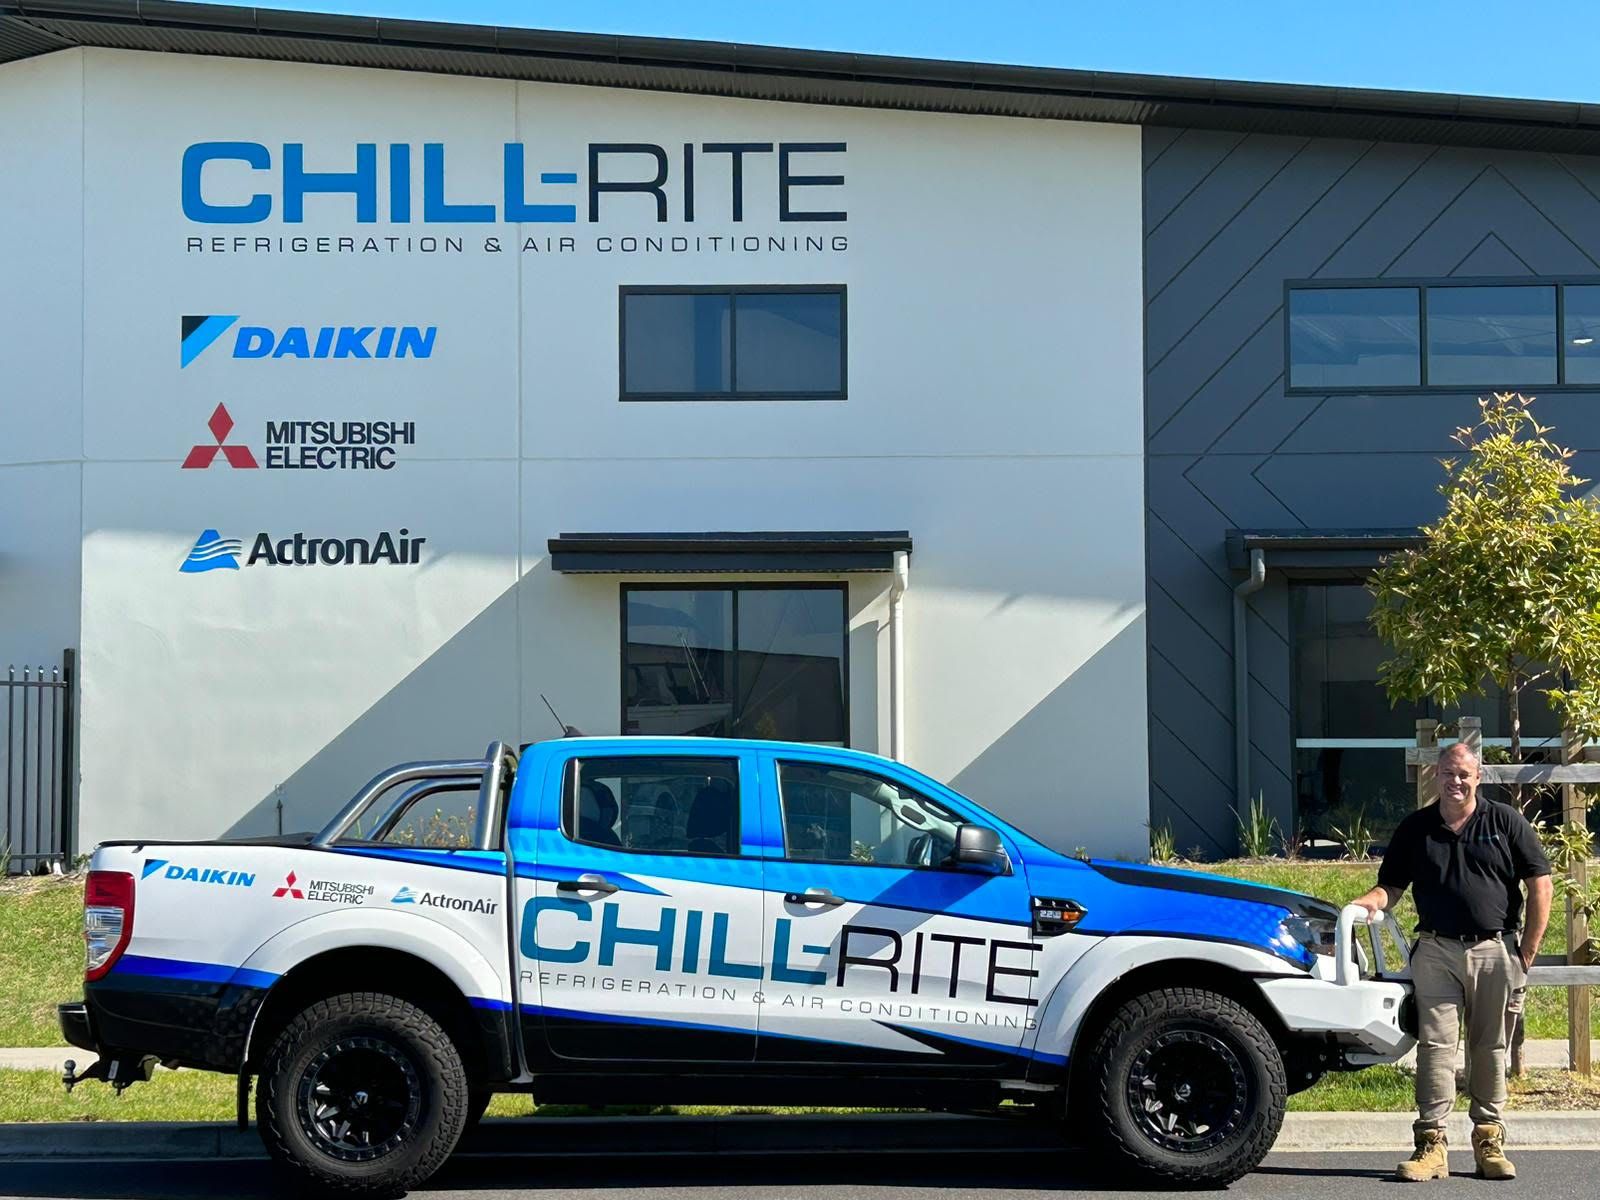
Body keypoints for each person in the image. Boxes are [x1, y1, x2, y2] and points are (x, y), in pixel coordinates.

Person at [1353, 741, 1553, 1182]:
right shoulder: (1416, 828)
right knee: (1435, 1049)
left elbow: (1540, 883)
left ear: (1478, 777)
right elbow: (1391, 888)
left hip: (1495, 950)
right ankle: (1431, 1145)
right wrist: (1368, 901)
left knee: (1490, 1047)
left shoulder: (1505, 821)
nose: (1455, 781)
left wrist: (1526, 952)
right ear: (1436, 776)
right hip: (1436, 951)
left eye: (1464, 774)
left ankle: (1489, 1141)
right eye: (1448, 773)